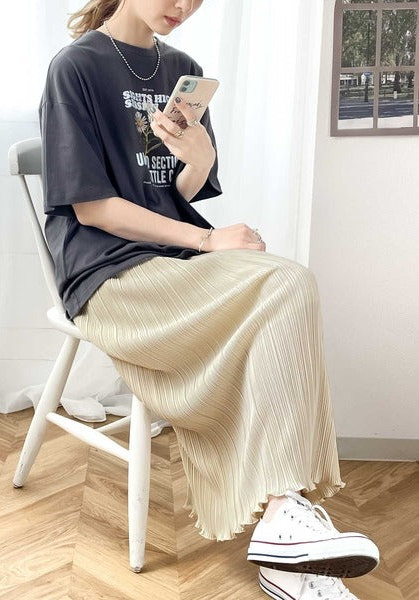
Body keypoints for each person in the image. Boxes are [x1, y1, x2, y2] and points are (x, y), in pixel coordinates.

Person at [39, 1, 380, 598]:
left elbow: (177, 191)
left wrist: (200, 160)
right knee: (278, 288)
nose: (184, 5)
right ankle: (285, 526)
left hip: (174, 260)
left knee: (289, 282)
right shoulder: (76, 67)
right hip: (107, 273)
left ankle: (284, 532)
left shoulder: (183, 70)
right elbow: (92, 208)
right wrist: (206, 239)